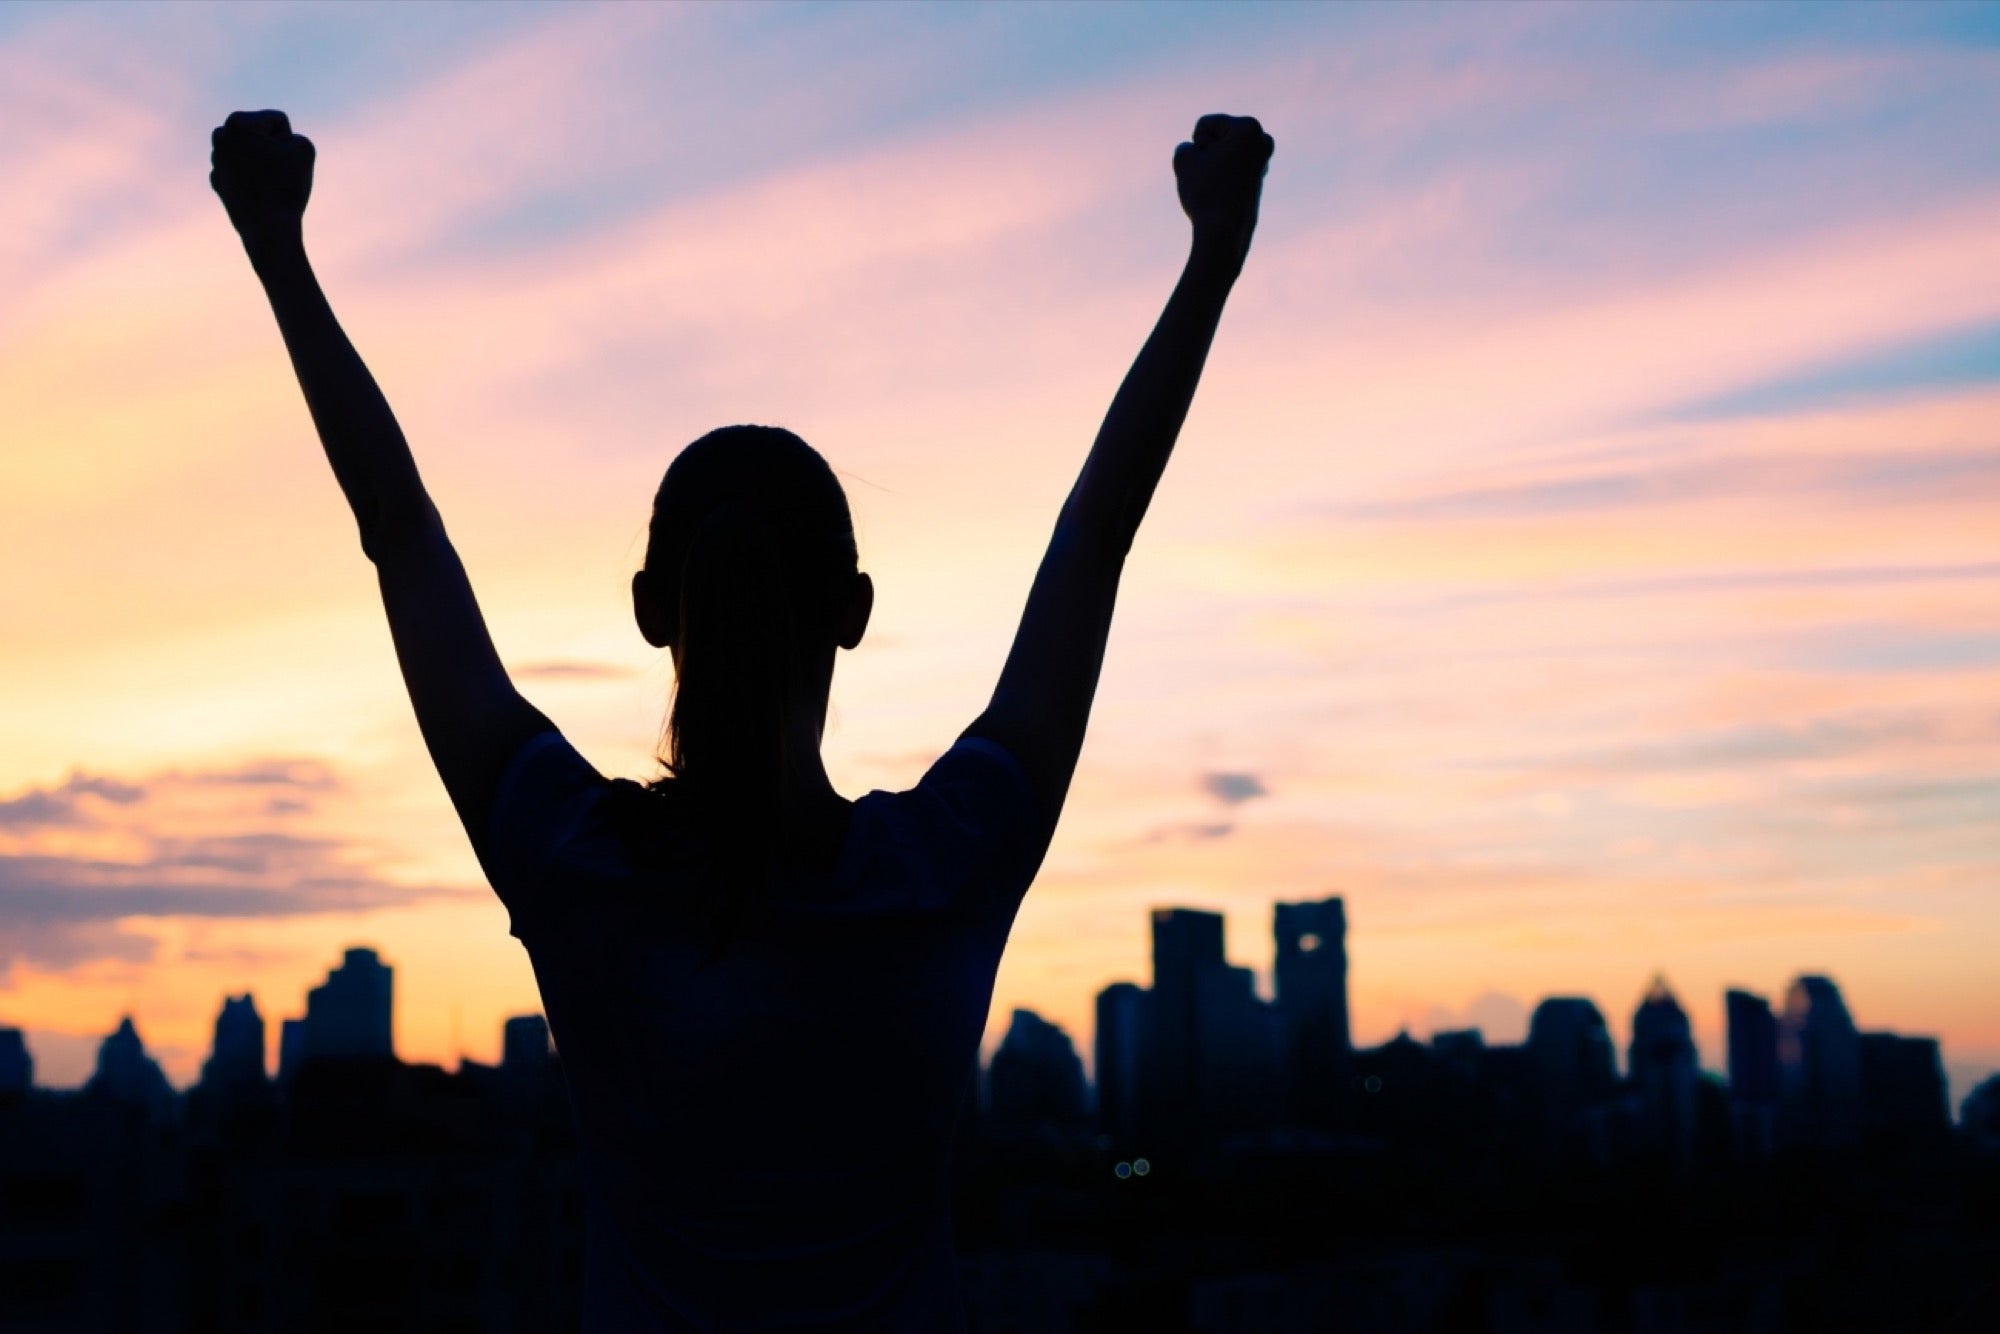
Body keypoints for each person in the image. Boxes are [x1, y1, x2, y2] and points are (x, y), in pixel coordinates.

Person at [212, 106, 1272, 1332]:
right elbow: (1096, 538)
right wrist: (1212, 259)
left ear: (651, 608)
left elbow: (398, 531)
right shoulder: (946, 864)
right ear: (854, 611)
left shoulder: (572, 857)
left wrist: (276, 247)